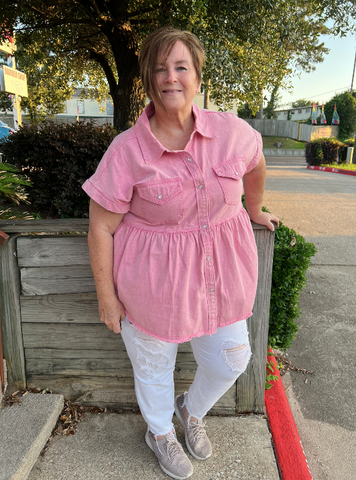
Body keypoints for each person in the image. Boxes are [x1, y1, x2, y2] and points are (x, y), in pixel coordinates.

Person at [82, 27, 279, 480]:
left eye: (180, 66)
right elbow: (101, 227)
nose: (171, 77)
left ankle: (189, 411)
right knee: (154, 367)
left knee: (231, 359)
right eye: (159, 69)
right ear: (149, 81)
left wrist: (254, 207)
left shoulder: (232, 132)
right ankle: (159, 432)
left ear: (196, 74)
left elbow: (256, 161)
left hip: (221, 278)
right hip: (151, 283)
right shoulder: (127, 151)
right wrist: (107, 298)